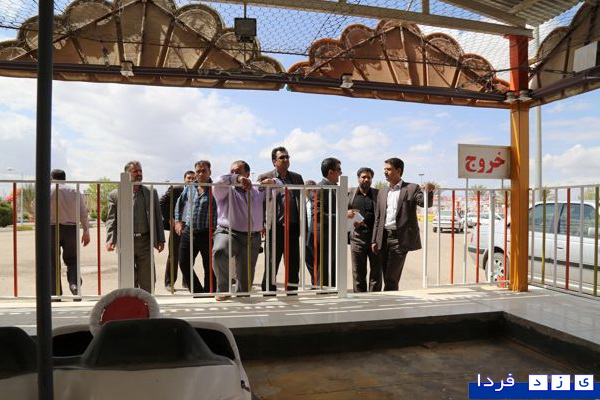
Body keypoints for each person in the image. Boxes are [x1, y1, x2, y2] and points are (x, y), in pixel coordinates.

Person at [212, 160, 277, 301]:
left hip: (252, 237)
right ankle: (223, 289)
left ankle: (242, 294)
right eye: (232, 172)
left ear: (247, 173)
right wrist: (237, 178)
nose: (234, 174)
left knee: (245, 280)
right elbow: (218, 181)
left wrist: (273, 182)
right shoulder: (225, 189)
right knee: (220, 251)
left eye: (239, 172)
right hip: (228, 232)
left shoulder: (257, 189)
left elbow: (280, 188)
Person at [372, 157, 434, 291]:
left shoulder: (411, 188)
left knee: (391, 278)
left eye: (389, 169)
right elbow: (378, 218)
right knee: (385, 275)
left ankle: (390, 302)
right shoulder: (382, 191)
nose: (385, 172)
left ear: (398, 171)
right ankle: (390, 300)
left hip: (399, 240)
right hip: (383, 238)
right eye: (384, 169)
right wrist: (374, 240)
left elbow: (425, 203)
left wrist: (429, 192)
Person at [106, 161, 165, 293]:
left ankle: (147, 303)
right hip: (125, 242)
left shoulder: (151, 192)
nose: (139, 174)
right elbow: (111, 220)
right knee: (128, 279)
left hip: (145, 241)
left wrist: (160, 239)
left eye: (140, 171)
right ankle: (131, 303)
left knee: (147, 278)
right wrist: (110, 240)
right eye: (135, 171)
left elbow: (157, 217)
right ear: (126, 174)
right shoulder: (115, 195)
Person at [257, 147, 304, 293]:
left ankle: (292, 292)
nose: (285, 160)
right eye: (282, 157)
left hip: (293, 227)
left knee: (293, 263)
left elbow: (301, 201)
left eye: (287, 157)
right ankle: (268, 293)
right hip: (274, 227)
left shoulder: (296, 178)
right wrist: (261, 223)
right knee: (271, 262)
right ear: (274, 161)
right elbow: (258, 201)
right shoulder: (265, 177)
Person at [174, 161, 217, 294]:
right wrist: (178, 221)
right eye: (198, 171)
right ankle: (198, 292)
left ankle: (209, 292)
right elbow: (179, 203)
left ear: (209, 172)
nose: (201, 174)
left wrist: (216, 228)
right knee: (183, 262)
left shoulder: (215, 189)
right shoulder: (190, 187)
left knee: (209, 266)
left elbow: (221, 209)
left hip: (207, 233)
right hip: (189, 232)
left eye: (204, 171)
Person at [50, 169, 91, 296]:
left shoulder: (48, 190)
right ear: (65, 178)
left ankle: (55, 292)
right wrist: (86, 231)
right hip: (71, 229)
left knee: (52, 261)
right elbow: (83, 212)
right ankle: (74, 285)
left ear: (51, 178)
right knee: (72, 259)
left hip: (52, 228)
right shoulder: (74, 191)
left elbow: (36, 208)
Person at [306, 157, 342, 288]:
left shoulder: (335, 188)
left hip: (332, 236)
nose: (341, 173)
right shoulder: (319, 188)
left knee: (332, 270)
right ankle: (323, 294)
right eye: (339, 169)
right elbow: (318, 215)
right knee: (323, 272)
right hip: (323, 237)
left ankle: (331, 292)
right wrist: (342, 216)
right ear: (330, 172)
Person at [160, 170, 195, 291]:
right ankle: (169, 283)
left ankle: (186, 282)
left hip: (191, 226)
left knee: (189, 255)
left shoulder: (198, 191)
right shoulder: (176, 189)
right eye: (189, 178)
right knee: (174, 255)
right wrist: (171, 219)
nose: (191, 180)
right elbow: (161, 203)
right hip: (177, 225)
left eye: (193, 178)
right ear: (184, 179)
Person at [347, 167, 381, 292]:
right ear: (358, 178)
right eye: (363, 177)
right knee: (358, 272)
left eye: (369, 177)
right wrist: (347, 213)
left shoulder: (378, 194)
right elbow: (341, 211)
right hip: (357, 238)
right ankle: (359, 297)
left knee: (376, 272)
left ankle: (375, 298)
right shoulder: (350, 194)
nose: (366, 179)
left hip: (375, 238)